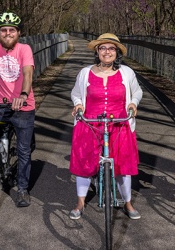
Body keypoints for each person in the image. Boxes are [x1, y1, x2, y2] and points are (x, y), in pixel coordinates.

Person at [69, 33, 143, 220]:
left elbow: (137, 92)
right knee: (84, 163)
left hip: (120, 123)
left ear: (117, 52)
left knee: (122, 165)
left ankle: (127, 203)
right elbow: (76, 93)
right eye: (103, 48)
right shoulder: (85, 72)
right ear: (97, 51)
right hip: (90, 124)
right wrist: (78, 104)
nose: (107, 52)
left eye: (111, 48)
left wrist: (133, 104)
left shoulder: (127, 73)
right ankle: (80, 203)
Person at [0, 12, 35, 207]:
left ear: (18, 32)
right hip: (0, 106)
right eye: (4, 30)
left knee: (23, 151)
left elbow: (27, 74)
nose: (8, 33)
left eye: (12, 30)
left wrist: (23, 95)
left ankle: (22, 189)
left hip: (23, 106)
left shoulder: (24, 49)